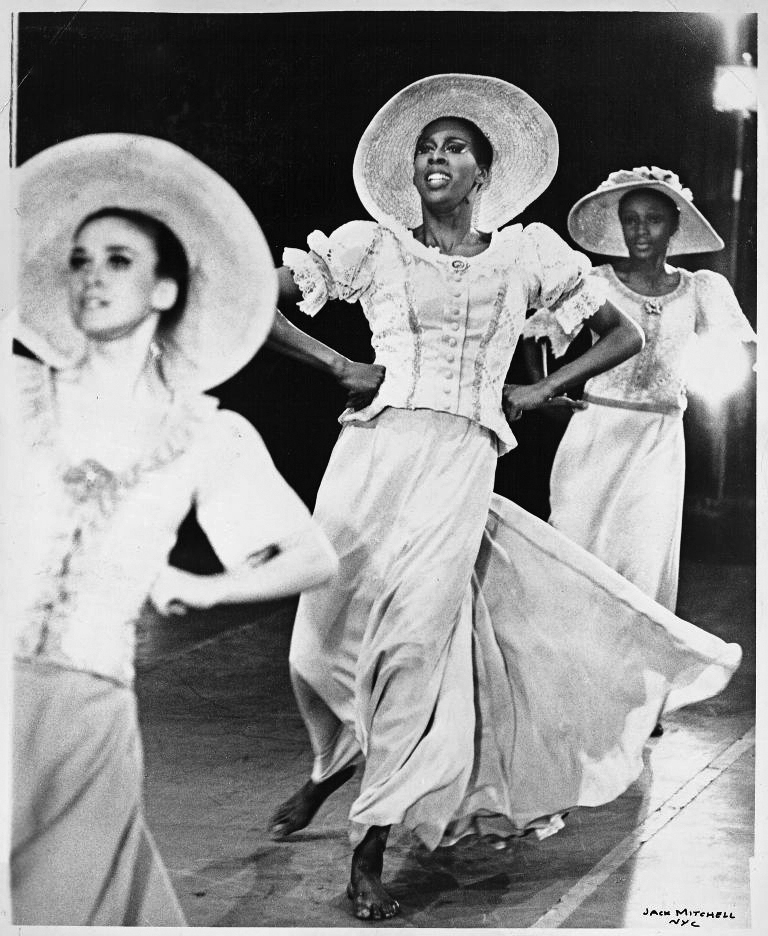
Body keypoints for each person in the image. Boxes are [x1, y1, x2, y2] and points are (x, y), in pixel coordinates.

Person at [263, 77, 742, 921]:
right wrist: (337, 364)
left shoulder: (526, 254)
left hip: (459, 458)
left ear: (484, 173)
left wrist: (540, 389)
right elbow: (255, 300)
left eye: (454, 148)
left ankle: (367, 846)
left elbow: (622, 333)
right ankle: (326, 771)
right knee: (320, 647)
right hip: (370, 461)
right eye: (426, 147)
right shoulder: (369, 247)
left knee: (414, 647)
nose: (436, 158)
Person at [8, 133, 338, 926]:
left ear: (164, 291)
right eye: (80, 260)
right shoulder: (15, 393)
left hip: (88, 715)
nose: (91, 277)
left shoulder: (203, 436)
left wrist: (206, 583)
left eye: (119, 260)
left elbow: (312, 556)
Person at [535, 167, 756, 613]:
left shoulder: (702, 289)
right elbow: (539, 333)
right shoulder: (595, 282)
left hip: (658, 441)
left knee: (642, 562)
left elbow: (738, 354)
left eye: (653, 219)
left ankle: (627, 681)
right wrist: (546, 394)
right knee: (575, 552)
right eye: (631, 219)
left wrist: (709, 378)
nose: (640, 230)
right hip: (594, 433)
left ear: (674, 224)